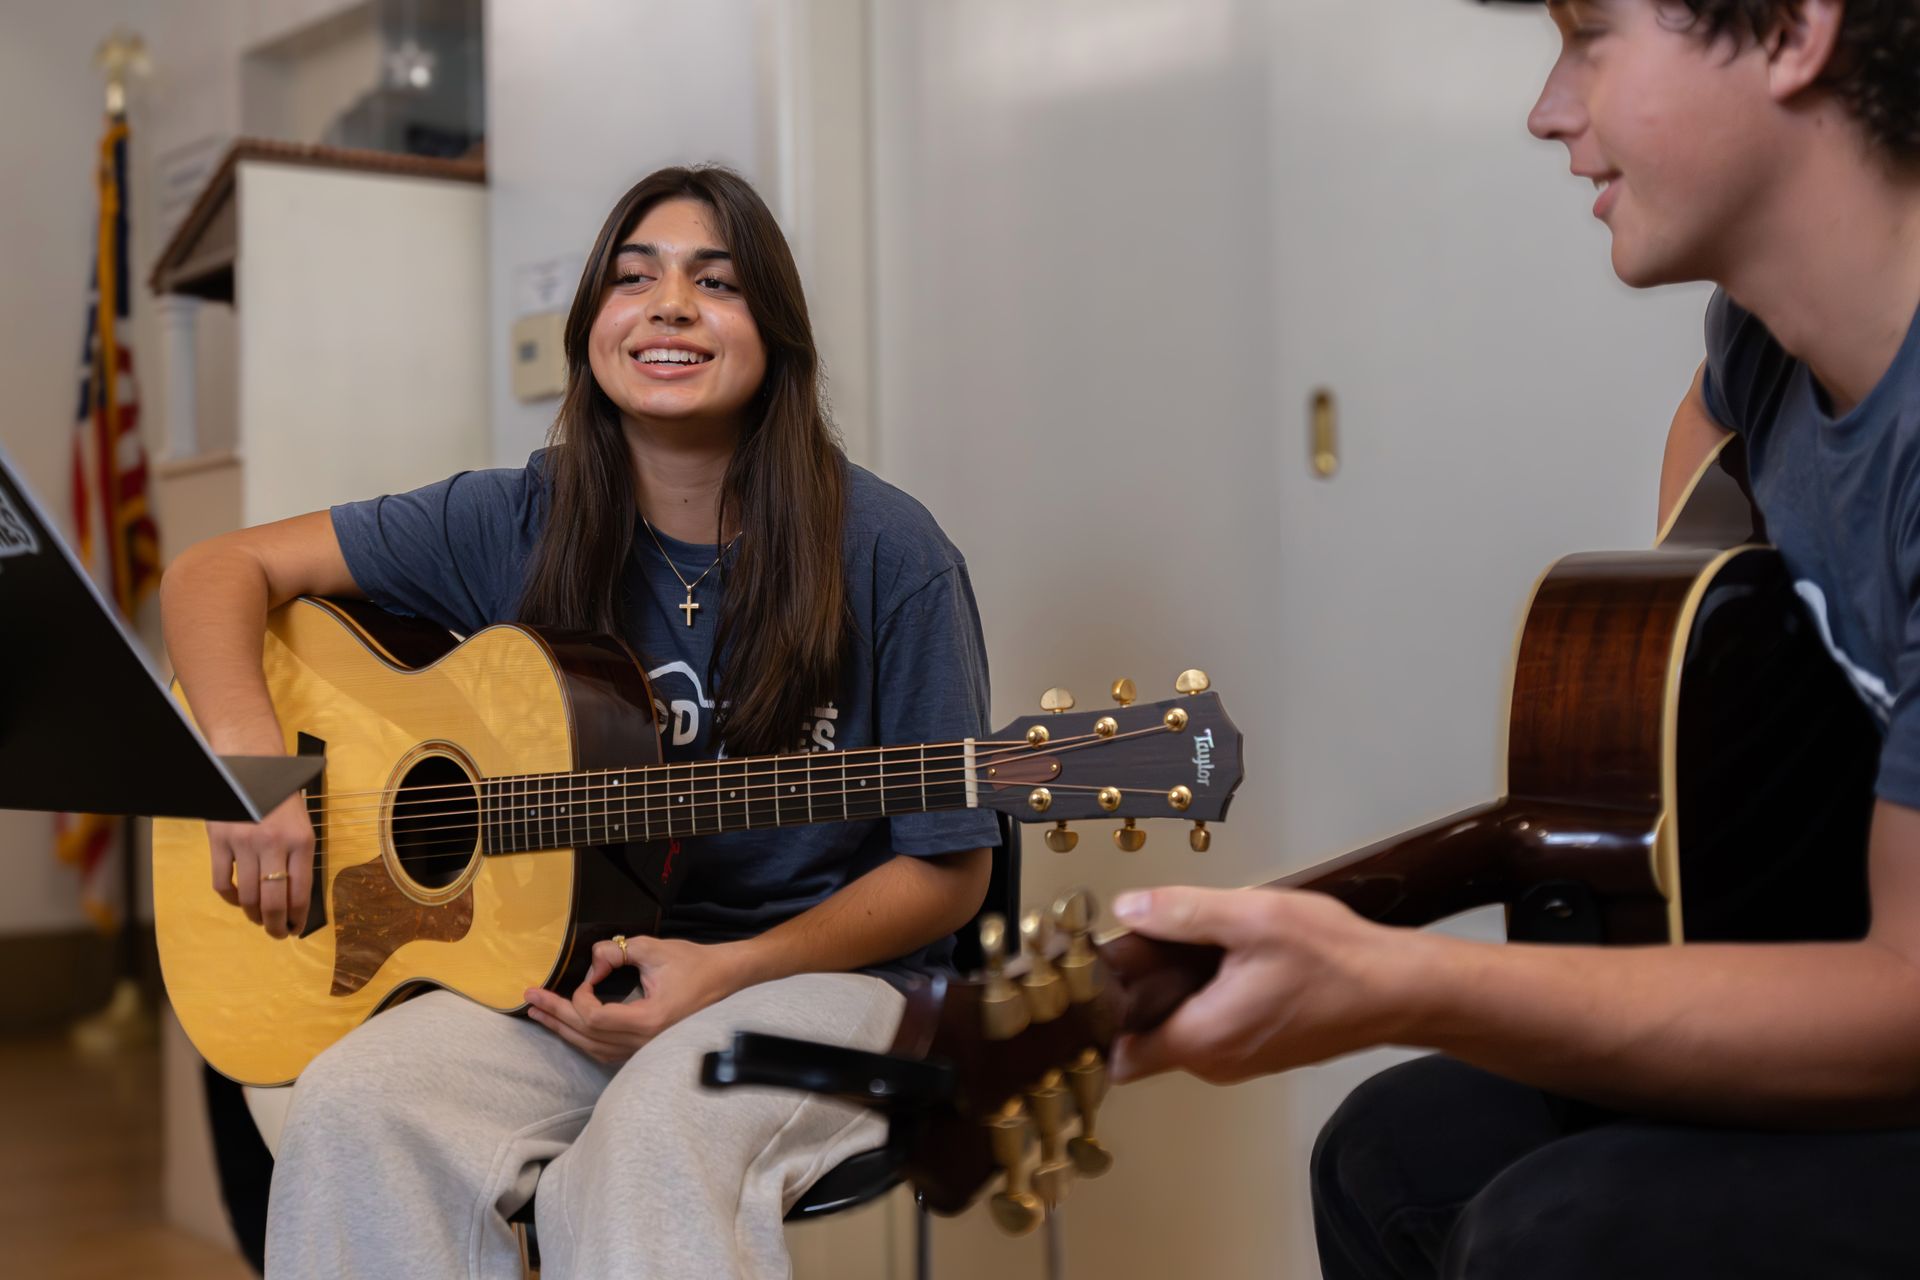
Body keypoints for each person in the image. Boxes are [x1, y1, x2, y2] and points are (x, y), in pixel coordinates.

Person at [1107, 3, 1920, 1275]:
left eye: (1591, 34)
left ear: (1792, 32)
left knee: (1561, 1236)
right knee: (1389, 1152)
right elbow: (1706, 444)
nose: (1548, 107)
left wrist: (1390, 982)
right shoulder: (1765, 348)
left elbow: (1906, 1003)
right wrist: (1691, 724)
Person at [159, 164, 997, 1278]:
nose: (669, 305)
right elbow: (220, 568)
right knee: (355, 1104)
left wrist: (730, 967)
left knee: (659, 1125)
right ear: (591, 326)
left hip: (818, 983)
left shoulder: (891, 554)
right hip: (557, 979)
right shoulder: (513, 517)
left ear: (777, 337)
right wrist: (246, 762)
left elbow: (949, 870)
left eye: (718, 281)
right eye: (633, 276)